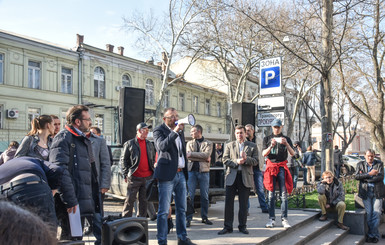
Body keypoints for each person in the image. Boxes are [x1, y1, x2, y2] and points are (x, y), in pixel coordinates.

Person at [49, 105, 100, 241]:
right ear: (78, 121)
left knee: (76, 237)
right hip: (71, 203)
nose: (90, 122)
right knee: (70, 238)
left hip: (80, 199)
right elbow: (59, 172)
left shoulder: (81, 139)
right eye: (88, 119)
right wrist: (71, 201)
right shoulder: (63, 138)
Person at [153, 107, 196, 245]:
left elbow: (181, 151)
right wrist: (175, 132)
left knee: (182, 209)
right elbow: (162, 147)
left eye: (176, 115)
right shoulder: (159, 130)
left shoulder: (180, 131)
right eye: (172, 116)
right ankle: (162, 241)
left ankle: (182, 238)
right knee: (164, 211)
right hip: (167, 175)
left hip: (181, 174)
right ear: (164, 118)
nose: (176, 118)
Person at [0, 157, 77, 232]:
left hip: (3, 190)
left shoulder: (4, 166)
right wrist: (54, 191)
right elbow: (58, 170)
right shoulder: (38, 161)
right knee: (47, 230)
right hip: (33, 184)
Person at [218, 125, 258, 235]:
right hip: (232, 176)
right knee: (229, 203)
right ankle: (227, 226)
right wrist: (236, 161)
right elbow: (224, 159)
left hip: (245, 177)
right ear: (234, 134)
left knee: (243, 204)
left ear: (245, 134)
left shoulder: (252, 146)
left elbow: (256, 161)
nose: (239, 135)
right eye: (237, 133)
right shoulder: (230, 145)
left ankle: (242, 226)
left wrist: (246, 160)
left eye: (241, 133)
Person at [263, 118, 294, 229]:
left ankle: (284, 219)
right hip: (271, 167)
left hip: (281, 166)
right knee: (270, 195)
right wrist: (271, 146)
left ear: (281, 127)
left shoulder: (286, 139)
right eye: (274, 127)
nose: (276, 129)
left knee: (283, 195)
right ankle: (271, 219)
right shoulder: (267, 138)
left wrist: (286, 144)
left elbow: (292, 153)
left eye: (278, 127)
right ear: (272, 127)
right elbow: (263, 154)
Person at [120, 122, 155, 218]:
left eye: (148, 130)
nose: (147, 132)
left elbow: (152, 159)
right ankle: (126, 219)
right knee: (130, 199)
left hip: (147, 177)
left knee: (144, 200)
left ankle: (141, 220)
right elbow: (123, 160)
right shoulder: (130, 143)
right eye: (145, 130)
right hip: (134, 176)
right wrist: (125, 173)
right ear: (139, 131)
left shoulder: (150, 144)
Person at [86, 126, 111, 245]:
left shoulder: (99, 141)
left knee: (97, 215)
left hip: (95, 185)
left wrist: (105, 183)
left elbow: (105, 164)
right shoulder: (71, 139)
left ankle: (100, 240)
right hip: (78, 184)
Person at [186, 124, 213, 227]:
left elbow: (206, 155)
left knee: (205, 196)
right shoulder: (189, 143)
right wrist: (202, 157)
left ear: (198, 132)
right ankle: (188, 218)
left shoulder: (208, 143)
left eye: (192, 131)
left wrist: (192, 155)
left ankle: (204, 217)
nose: (191, 133)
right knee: (190, 196)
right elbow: (187, 156)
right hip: (191, 172)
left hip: (204, 172)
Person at [355, 149, 384, 243]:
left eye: (372, 156)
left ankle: (372, 235)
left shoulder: (379, 164)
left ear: (374, 155)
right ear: (365, 156)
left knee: (377, 213)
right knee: (369, 214)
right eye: (368, 156)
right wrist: (369, 174)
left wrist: (366, 179)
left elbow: (380, 177)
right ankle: (374, 235)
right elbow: (356, 176)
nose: (370, 158)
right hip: (365, 192)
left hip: (377, 192)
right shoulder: (360, 164)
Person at [245, 124, 268, 213]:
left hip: (257, 167)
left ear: (253, 131)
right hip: (247, 167)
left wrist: (263, 163)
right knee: (246, 188)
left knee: (260, 188)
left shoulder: (259, 140)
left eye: (248, 130)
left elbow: (262, 152)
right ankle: (246, 209)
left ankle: (264, 207)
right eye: (246, 130)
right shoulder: (244, 141)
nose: (247, 132)